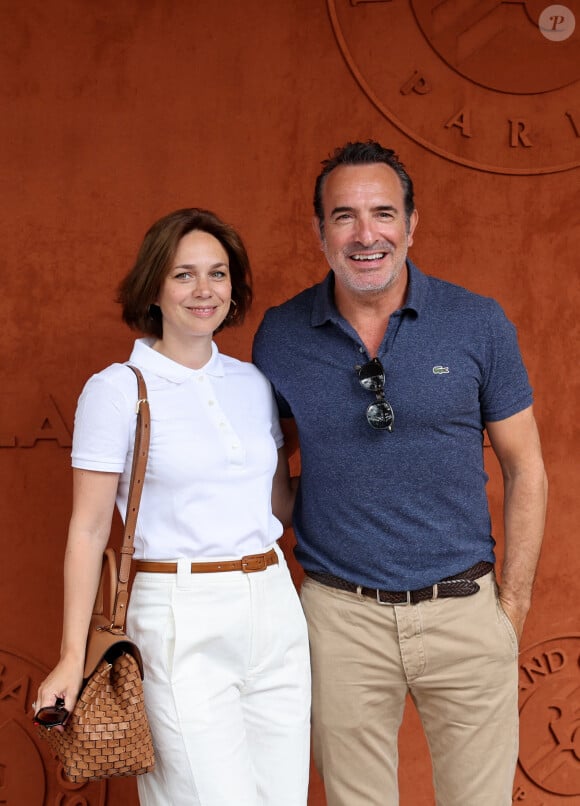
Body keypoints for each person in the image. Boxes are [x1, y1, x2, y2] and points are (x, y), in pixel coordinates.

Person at [253, 141, 547, 806]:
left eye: (383, 213)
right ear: (320, 230)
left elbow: (526, 467)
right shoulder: (281, 335)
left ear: (412, 225)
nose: (366, 235)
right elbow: (272, 466)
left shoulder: (477, 323)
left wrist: (513, 607)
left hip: (465, 612)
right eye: (344, 216)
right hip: (339, 621)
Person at [34, 208, 311, 806]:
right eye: (184, 274)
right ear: (154, 287)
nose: (204, 290)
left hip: (274, 605)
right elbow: (86, 531)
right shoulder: (116, 389)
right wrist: (69, 657)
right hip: (180, 615)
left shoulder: (253, 384)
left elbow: (277, 507)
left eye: (218, 273)